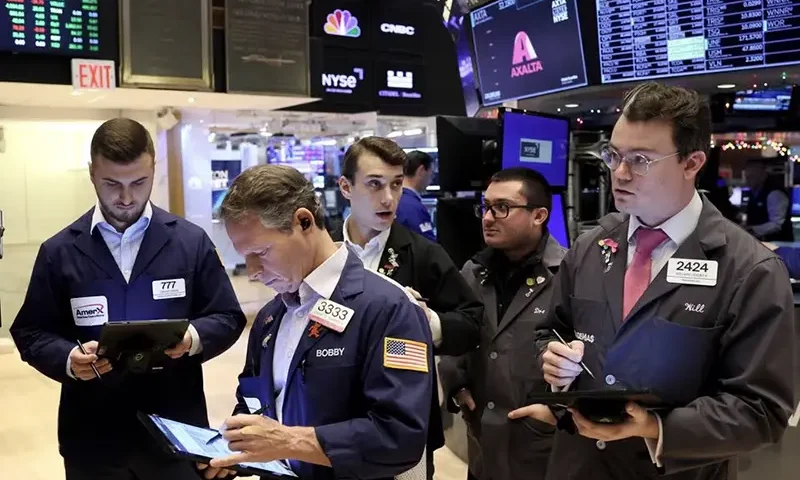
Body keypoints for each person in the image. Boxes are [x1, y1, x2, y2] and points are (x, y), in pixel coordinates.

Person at [509, 82, 796, 480]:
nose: (619, 173)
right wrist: (553, 361)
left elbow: (762, 410)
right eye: (614, 156)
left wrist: (655, 427)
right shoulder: (590, 247)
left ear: (692, 163)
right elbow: (551, 331)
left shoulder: (750, 269)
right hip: (577, 466)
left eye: (640, 160)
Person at [10, 118, 247, 480]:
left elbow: (227, 316)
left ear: (154, 169)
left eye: (139, 182)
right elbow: (31, 331)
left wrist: (191, 339)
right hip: (92, 438)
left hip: (176, 434)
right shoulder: (59, 252)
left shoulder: (190, 242)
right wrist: (70, 359)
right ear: (92, 174)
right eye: (111, 184)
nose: (126, 197)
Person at [208, 164, 433, 480]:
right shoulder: (271, 318)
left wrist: (290, 441)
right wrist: (233, 446)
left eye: (261, 251)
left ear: (304, 221)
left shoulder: (389, 309)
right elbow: (254, 400)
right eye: (245, 256)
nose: (254, 271)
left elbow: (400, 436)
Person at [333, 136, 484, 479]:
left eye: (397, 184)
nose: (388, 198)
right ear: (345, 187)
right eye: (374, 184)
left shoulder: (423, 254)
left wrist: (425, 321)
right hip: (330, 419)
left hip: (401, 420)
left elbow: (472, 322)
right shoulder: (323, 251)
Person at [438, 167, 566, 480]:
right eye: (485, 206)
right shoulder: (474, 271)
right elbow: (457, 330)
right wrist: (455, 383)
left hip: (541, 446)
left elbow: (592, 349)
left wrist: (558, 412)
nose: (488, 217)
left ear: (539, 215)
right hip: (483, 440)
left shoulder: (567, 273)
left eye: (502, 208)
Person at [743, 158, 793, 241]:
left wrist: (751, 229)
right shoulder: (754, 193)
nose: (748, 181)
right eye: (748, 177)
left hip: (778, 244)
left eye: (752, 176)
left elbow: (776, 224)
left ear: (763, 175)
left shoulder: (774, 193)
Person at [396, 150, 436, 241]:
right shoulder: (413, 207)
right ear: (421, 170)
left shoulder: (394, 199)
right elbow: (428, 248)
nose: (431, 181)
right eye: (431, 175)